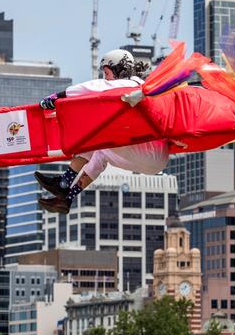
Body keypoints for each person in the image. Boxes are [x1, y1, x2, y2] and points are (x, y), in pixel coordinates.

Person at [34, 49, 169, 214]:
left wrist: (57, 97)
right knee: (100, 152)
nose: (105, 78)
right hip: (155, 159)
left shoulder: (131, 84)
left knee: (95, 134)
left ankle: (63, 183)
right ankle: (67, 197)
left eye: (107, 73)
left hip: (148, 151)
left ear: (120, 69)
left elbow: (95, 86)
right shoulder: (136, 89)